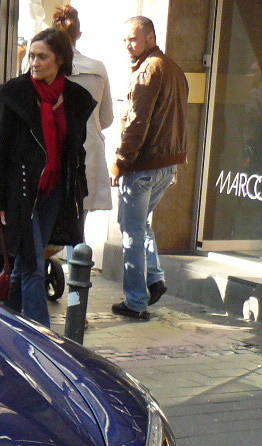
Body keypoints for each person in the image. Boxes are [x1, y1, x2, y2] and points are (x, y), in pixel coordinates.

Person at [0, 27, 95, 328]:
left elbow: (76, 151)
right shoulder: (16, 95)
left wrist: (78, 190)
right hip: (20, 192)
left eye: (42, 56)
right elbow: (0, 151)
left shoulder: (74, 99)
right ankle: (42, 338)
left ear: (59, 59)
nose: (34, 62)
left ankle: (8, 321)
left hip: (54, 192)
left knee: (24, 263)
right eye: (31, 56)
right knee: (33, 265)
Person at [109, 16, 188, 321]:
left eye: (133, 38)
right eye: (126, 39)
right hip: (165, 165)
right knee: (140, 224)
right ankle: (154, 279)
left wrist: (120, 162)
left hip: (145, 166)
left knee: (132, 230)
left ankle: (136, 301)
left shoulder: (148, 70)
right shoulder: (174, 69)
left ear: (150, 37)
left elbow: (136, 123)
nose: (129, 44)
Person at [52, 5, 114, 219]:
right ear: (78, 34)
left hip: (52, 149)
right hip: (88, 149)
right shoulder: (98, 68)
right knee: (78, 220)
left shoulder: (41, 65)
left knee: (46, 221)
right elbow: (106, 118)